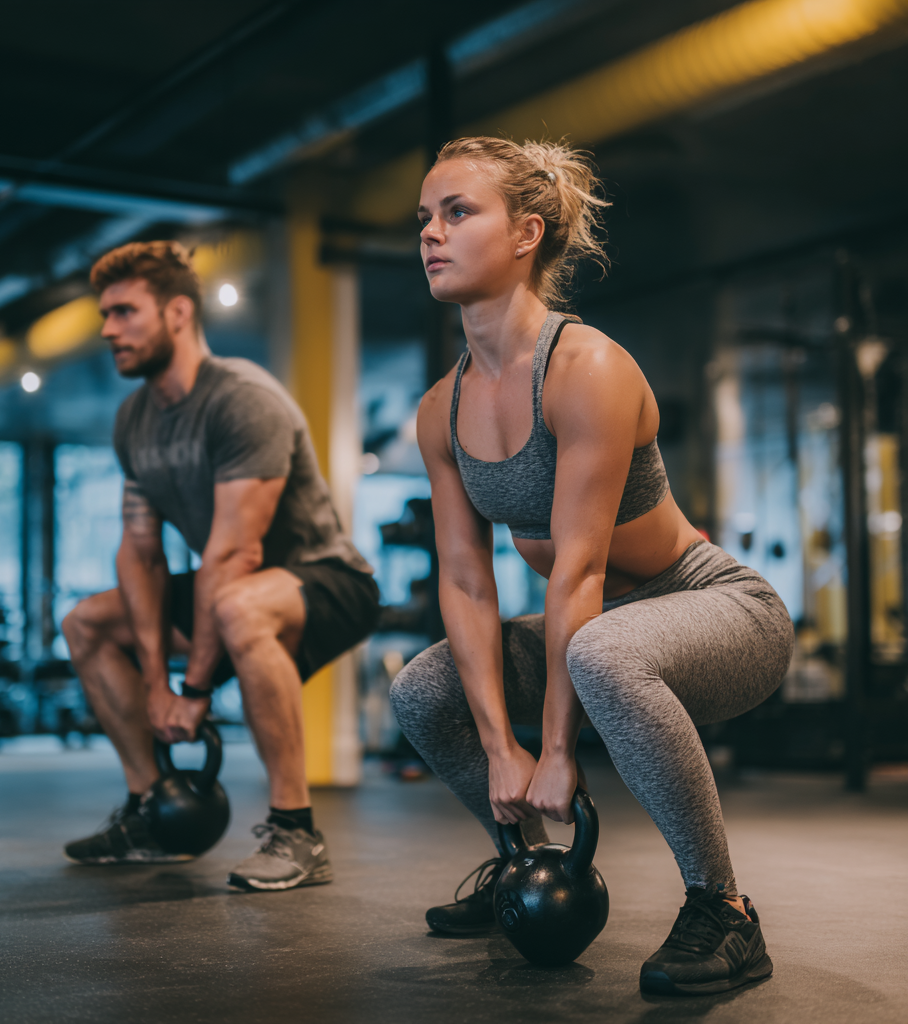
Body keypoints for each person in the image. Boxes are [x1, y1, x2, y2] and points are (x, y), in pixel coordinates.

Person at [389, 138, 793, 995]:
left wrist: (559, 749)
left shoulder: (587, 370)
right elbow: (465, 581)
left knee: (598, 650)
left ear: (527, 232)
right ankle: (520, 867)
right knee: (422, 688)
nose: (431, 232)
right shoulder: (441, 410)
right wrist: (503, 748)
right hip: (606, 628)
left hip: (719, 611)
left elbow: (576, 573)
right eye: (424, 217)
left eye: (457, 212)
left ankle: (724, 910)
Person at [62, 241, 380, 890]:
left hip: (328, 581)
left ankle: (297, 832)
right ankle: (153, 810)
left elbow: (237, 554)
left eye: (124, 312)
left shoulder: (241, 399)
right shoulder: (135, 420)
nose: (107, 329)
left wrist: (196, 691)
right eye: (105, 314)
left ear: (178, 312)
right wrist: (156, 682)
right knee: (87, 623)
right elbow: (141, 551)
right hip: (232, 586)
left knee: (240, 604)